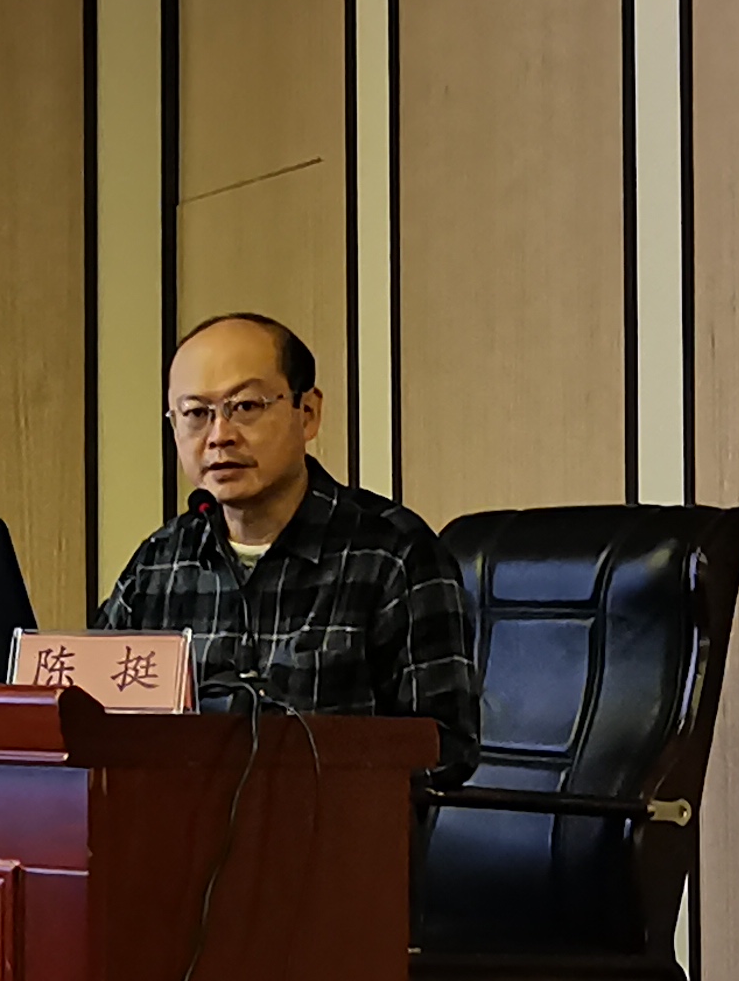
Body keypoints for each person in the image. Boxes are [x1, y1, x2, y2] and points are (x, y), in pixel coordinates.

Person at [95, 312, 479, 778]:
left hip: (331, 819)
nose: (219, 436)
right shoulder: (160, 562)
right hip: (178, 820)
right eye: (196, 413)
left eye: (246, 406)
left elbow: (444, 747)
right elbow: (93, 715)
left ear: (308, 412)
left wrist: (295, 765)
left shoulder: (394, 554)